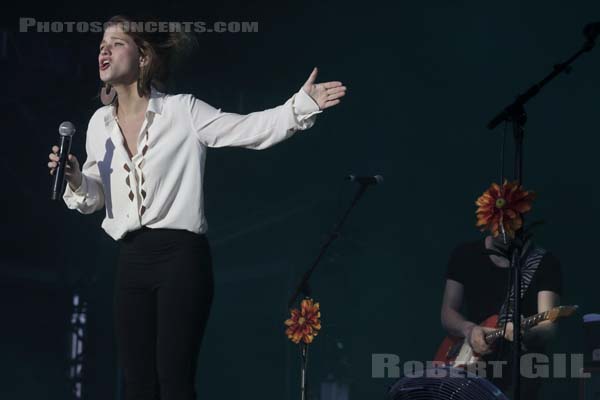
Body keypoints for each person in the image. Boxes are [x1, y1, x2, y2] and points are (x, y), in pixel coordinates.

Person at [47, 15, 346, 400]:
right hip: (131, 260)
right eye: (102, 44)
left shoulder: (181, 111)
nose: (104, 49)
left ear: (142, 57)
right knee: (138, 384)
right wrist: (74, 178)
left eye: (117, 43)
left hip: (180, 258)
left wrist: (298, 107)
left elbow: (247, 130)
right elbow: (93, 198)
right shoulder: (98, 125)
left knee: (174, 379)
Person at [440, 232, 562, 399]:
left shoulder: (545, 262)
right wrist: (469, 330)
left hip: (519, 372)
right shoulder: (465, 254)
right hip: (470, 364)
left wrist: (526, 333)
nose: (503, 229)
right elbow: (448, 312)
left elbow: (548, 326)